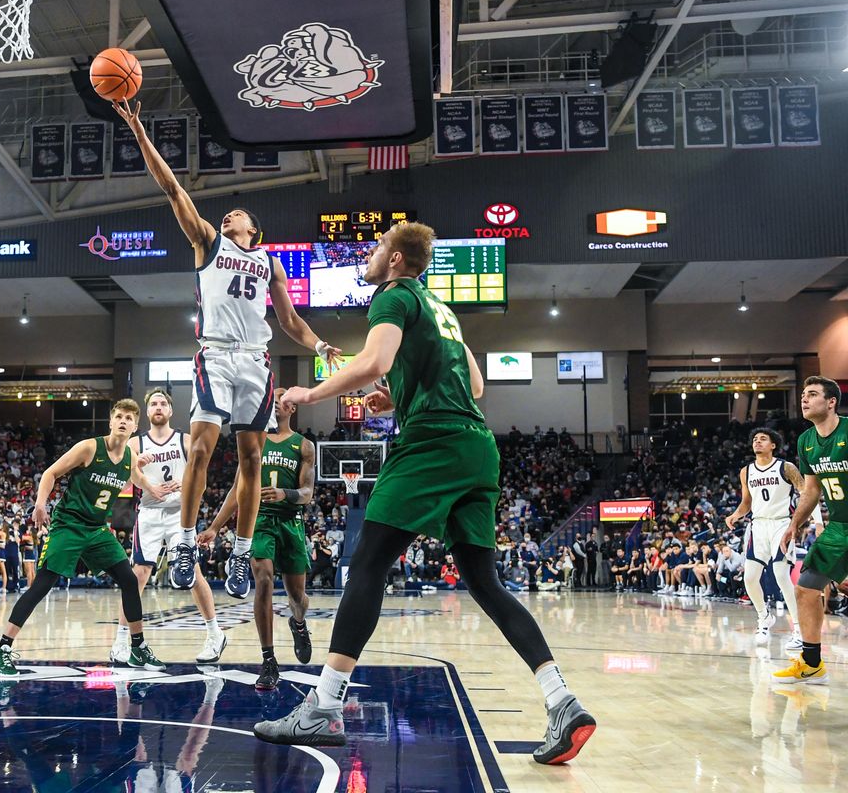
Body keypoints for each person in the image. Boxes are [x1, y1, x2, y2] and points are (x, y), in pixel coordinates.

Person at [251, 222, 594, 764]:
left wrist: (311, 392)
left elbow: (374, 362)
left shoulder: (393, 297)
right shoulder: (443, 309)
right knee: (484, 581)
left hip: (432, 444)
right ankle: (562, 700)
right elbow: (475, 387)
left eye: (376, 247)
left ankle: (323, 707)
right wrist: (399, 397)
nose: (368, 255)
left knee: (367, 564)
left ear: (393, 259)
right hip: (478, 447)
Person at [112, 98, 341, 600]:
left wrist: (322, 346)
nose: (229, 212)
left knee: (252, 459)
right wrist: (138, 129)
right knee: (198, 447)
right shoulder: (208, 243)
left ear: (253, 229)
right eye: (228, 212)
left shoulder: (272, 263)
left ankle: (239, 550)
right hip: (215, 354)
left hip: (256, 361)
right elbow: (172, 188)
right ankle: (189, 541)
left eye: (238, 212)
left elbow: (290, 321)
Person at [0, 399, 166, 676]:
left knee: (129, 580)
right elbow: (51, 473)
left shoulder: (129, 456)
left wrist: (153, 488)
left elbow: (135, 477)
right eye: (118, 416)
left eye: (129, 418)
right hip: (69, 524)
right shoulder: (89, 447)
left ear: (135, 426)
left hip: (96, 528)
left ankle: (138, 648)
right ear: (110, 421)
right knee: (43, 583)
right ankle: (1, 649)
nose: (123, 421)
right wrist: (40, 503)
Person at [203, 388, 315, 690]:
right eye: (271, 400)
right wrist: (215, 526)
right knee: (263, 579)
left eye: (279, 400)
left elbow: (307, 494)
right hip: (259, 520)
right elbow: (237, 491)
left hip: (291, 522)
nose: (274, 404)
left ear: (291, 408)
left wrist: (285, 494)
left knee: (297, 598)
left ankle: (298, 623)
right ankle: (268, 660)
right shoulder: (253, 443)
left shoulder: (304, 445)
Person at [111, 389, 227, 665]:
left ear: (171, 411)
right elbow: (130, 474)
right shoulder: (135, 444)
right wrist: (147, 480)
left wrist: (187, 489)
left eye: (163, 403)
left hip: (180, 514)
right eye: (153, 403)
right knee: (136, 575)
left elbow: (201, 478)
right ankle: (120, 640)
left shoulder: (186, 440)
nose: (158, 407)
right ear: (147, 412)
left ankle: (215, 634)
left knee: (193, 573)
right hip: (150, 512)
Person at [775, 376, 848, 685]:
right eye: (803, 395)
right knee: (805, 588)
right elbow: (811, 491)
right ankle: (812, 663)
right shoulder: (806, 441)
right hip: (838, 528)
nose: (805, 399)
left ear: (831, 402)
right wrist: (794, 524)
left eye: (813, 394)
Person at [725, 428, 804, 650]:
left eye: (763, 439)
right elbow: (747, 502)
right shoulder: (746, 471)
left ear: (773, 445)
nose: (757, 442)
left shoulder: (786, 467)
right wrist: (734, 515)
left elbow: (804, 492)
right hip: (758, 525)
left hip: (781, 523)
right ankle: (764, 617)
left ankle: (798, 628)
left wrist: (801, 522)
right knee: (749, 578)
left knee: (781, 575)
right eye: (755, 439)